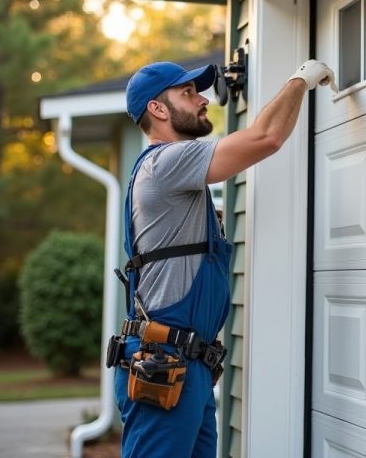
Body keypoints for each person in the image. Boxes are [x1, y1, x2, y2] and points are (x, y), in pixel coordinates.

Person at [111, 58, 334, 457]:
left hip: (187, 365)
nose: (202, 100)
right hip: (162, 366)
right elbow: (265, 137)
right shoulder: (165, 163)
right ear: (157, 109)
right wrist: (302, 78)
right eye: (188, 93)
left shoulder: (178, 172)